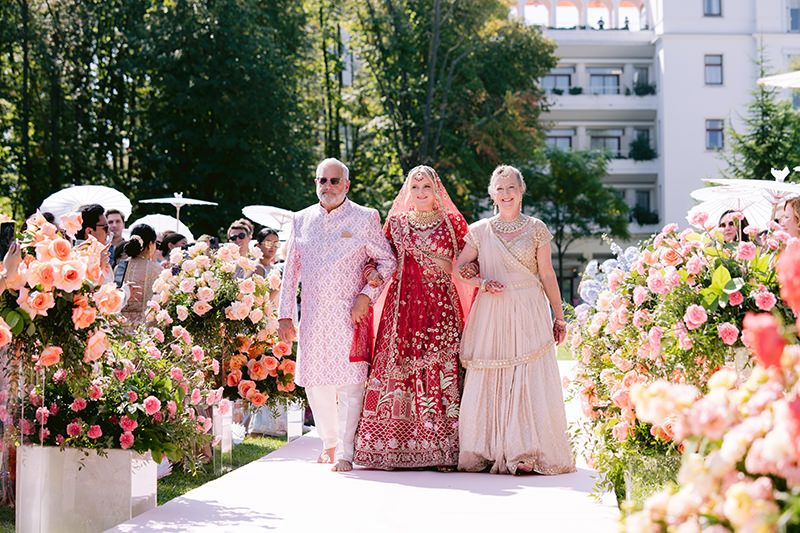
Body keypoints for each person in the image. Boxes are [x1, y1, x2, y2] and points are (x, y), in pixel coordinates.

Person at [278, 158, 396, 472]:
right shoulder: (301, 219)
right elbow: (291, 271)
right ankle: (328, 441)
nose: (327, 187)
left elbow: (387, 261)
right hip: (313, 316)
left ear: (346, 184)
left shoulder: (364, 217)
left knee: (351, 383)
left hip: (350, 315)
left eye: (334, 181)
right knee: (315, 381)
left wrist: (366, 296)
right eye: (322, 181)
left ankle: (346, 451)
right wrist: (285, 315)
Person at [455, 165, 575, 475]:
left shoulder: (537, 228)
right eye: (500, 188)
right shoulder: (480, 230)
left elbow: (547, 274)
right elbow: (458, 268)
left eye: (511, 187)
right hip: (492, 310)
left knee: (527, 376)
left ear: (521, 191)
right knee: (493, 376)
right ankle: (486, 449)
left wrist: (559, 317)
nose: (506, 193)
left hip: (530, 308)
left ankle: (526, 451)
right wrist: (481, 282)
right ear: (491, 193)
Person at [353, 165, 469, 470]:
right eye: (415, 187)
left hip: (441, 307)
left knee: (441, 368)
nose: (420, 193)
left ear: (436, 191)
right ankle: (392, 448)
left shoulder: (452, 223)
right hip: (403, 307)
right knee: (400, 369)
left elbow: (473, 259)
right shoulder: (397, 223)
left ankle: (444, 448)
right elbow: (376, 257)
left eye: (426, 187)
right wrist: (371, 275)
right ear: (407, 191)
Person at [117, 224, 162, 326]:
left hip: (120, 325)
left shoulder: (120, 266)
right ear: (151, 244)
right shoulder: (156, 269)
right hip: (145, 326)